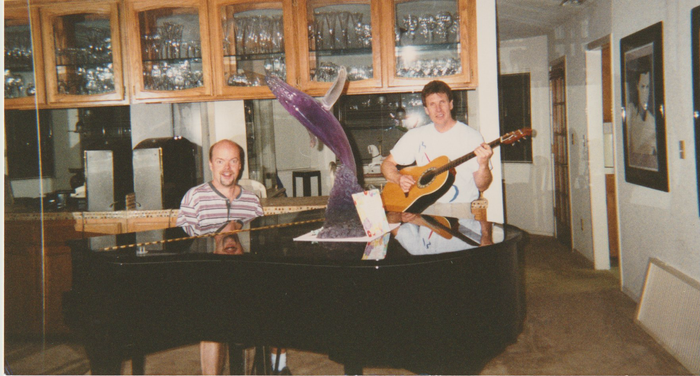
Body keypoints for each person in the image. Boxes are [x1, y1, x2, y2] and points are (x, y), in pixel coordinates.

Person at [176, 140, 290, 375]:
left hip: (246, 276)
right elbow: (187, 245)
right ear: (210, 164)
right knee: (211, 321)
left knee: (278, 298)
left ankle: (278, 367)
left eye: (233, 161)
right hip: (208, 279)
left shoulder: (251, 201)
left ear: (240, 166)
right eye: (220, 161)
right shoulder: (194, 198)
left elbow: (260, 241)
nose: (226, 168)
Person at [381, 80, 494, 214]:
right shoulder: (415, 136)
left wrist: (483, 164)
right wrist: (399, 178)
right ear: (426, 110)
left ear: (451, 104)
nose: (438, 109)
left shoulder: (472, 137)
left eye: (442, 102)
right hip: (425, 210)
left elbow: (482, 186)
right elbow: (387, 164)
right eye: (432, 104)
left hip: (461, 211)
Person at [625, 66, 658, 170]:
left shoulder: (653, 122)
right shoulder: (630, 112)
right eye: (642, 86)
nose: (645, 92)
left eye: (648, 87)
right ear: (637, 87)